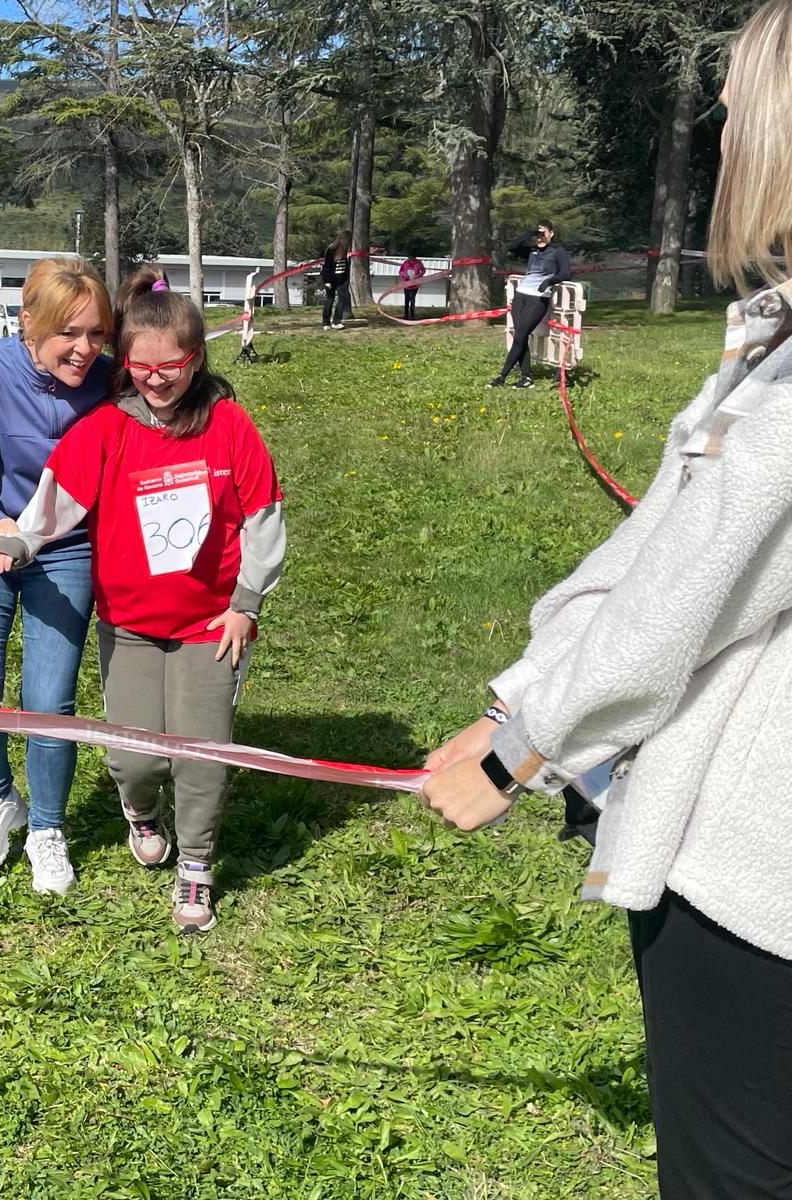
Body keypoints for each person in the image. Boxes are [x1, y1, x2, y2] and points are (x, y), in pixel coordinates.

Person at [421, 4, 792, 1193]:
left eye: (739, 99)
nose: (723, 121)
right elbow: (661, 537)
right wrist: (531, 696)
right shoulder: (769, 347)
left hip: (755, 888)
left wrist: (518, 746)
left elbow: (687, 590)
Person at [0, 267, 286, 933]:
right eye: (141, 367)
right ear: (127, 365)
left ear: (196, 359)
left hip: (211, 624)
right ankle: (142, 809)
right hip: (127, 623)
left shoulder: (229, 425)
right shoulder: (106, 429)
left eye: (172, 367)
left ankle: (197, 870)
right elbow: (58, 495)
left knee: (201, 753)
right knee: (134, 757)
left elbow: (264, 519)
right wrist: (24, 541)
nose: (156, 379)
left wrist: (246, 602)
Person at [0, 257, 114, 896]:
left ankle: (46, 828)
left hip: (65, 549)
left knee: (48, 700)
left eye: (96, 333)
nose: (85, 349)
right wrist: (0, 530)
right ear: (29, 323)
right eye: (70, 332)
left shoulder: (107, 383)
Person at [489, 220, 572, 389]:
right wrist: (531, 233)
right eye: (538, 235)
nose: (540, 238)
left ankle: (501, 376)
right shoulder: (533, 251)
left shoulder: (557, 250)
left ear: (551, 233)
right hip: (521, 295)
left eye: (543, 234)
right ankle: (526, 378)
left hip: (538, 297)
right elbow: (512, 247)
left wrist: (550, 281)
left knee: (520, 336)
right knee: (521, 336)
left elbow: (566, 273)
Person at [320, 231, 352, 329]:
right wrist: (327, 281)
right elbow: (327, 267)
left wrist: (346, 279)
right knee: (330, 299)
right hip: (331, 278)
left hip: (342, 279)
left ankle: (336, 321)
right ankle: (325, 322)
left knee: (342, 299)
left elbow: (345, 267)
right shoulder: (331, 249)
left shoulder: (346, 251)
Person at [398, 253, 426, 320]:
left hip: (415, 284)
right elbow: (400, 271)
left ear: (414, 258)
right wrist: (404, 275)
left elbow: (423, 271)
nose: (410, 259)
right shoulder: (405, 263)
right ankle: (406, 315)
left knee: (412, 299)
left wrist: (418, 276)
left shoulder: (419, 263)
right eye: (409, 258)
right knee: (407, 299)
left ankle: (412, 315)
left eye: (412, 258)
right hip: (406, 283)